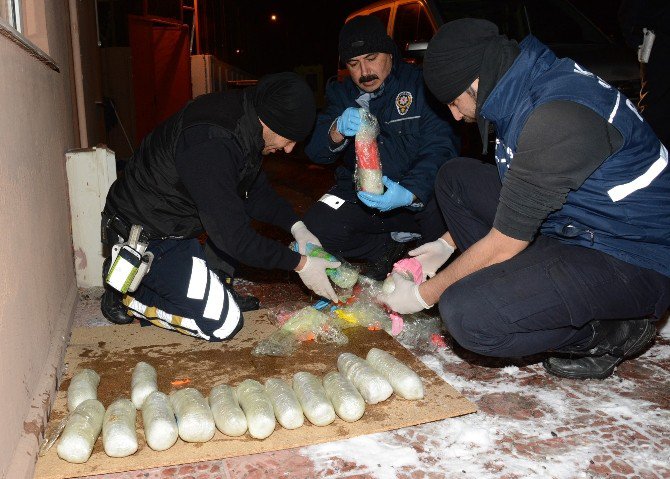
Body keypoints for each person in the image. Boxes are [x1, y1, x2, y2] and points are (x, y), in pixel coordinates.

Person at [378, 19, 670, 380]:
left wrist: (425, 295)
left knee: (466, 315)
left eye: (454, 102)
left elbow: (505, 241)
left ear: (477, 82)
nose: (455, 115)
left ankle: (610, 332)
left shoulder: (557, 116)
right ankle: (519, 287)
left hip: (632, 258)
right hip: (581, 223)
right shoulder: (522, 87)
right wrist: (443, 243)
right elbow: (520, 191)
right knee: (455, 178)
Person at [100, 72, 340, 341]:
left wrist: (298, 228)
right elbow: (235, 239)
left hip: (176, 224)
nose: (288, 149)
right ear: (269, 121)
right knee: (223, 322)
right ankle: (125, 288)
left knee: (227, 213)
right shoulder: (213, 142)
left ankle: (212, 285)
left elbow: (255, 193)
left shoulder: (246, 123)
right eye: (289, 138)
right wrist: (301, 264)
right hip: (145, 233)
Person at [303, 15, 459, 280]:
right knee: (315, 228)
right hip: (366, 198)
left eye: (372, 58)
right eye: (354, 63)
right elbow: (315, 151)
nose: (364, 72)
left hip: (417, 199)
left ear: (389, 52)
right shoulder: (342, 94)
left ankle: (425, 255)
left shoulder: (420, 85)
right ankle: (386, 247)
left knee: (450, 213)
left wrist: (410, 193)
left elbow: (441, 147)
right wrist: (336, 130)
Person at [618, 0, 669, 146]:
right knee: (657, 112)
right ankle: (644, 152)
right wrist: (643, 45)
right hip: (662, 51)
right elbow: (629, 16)